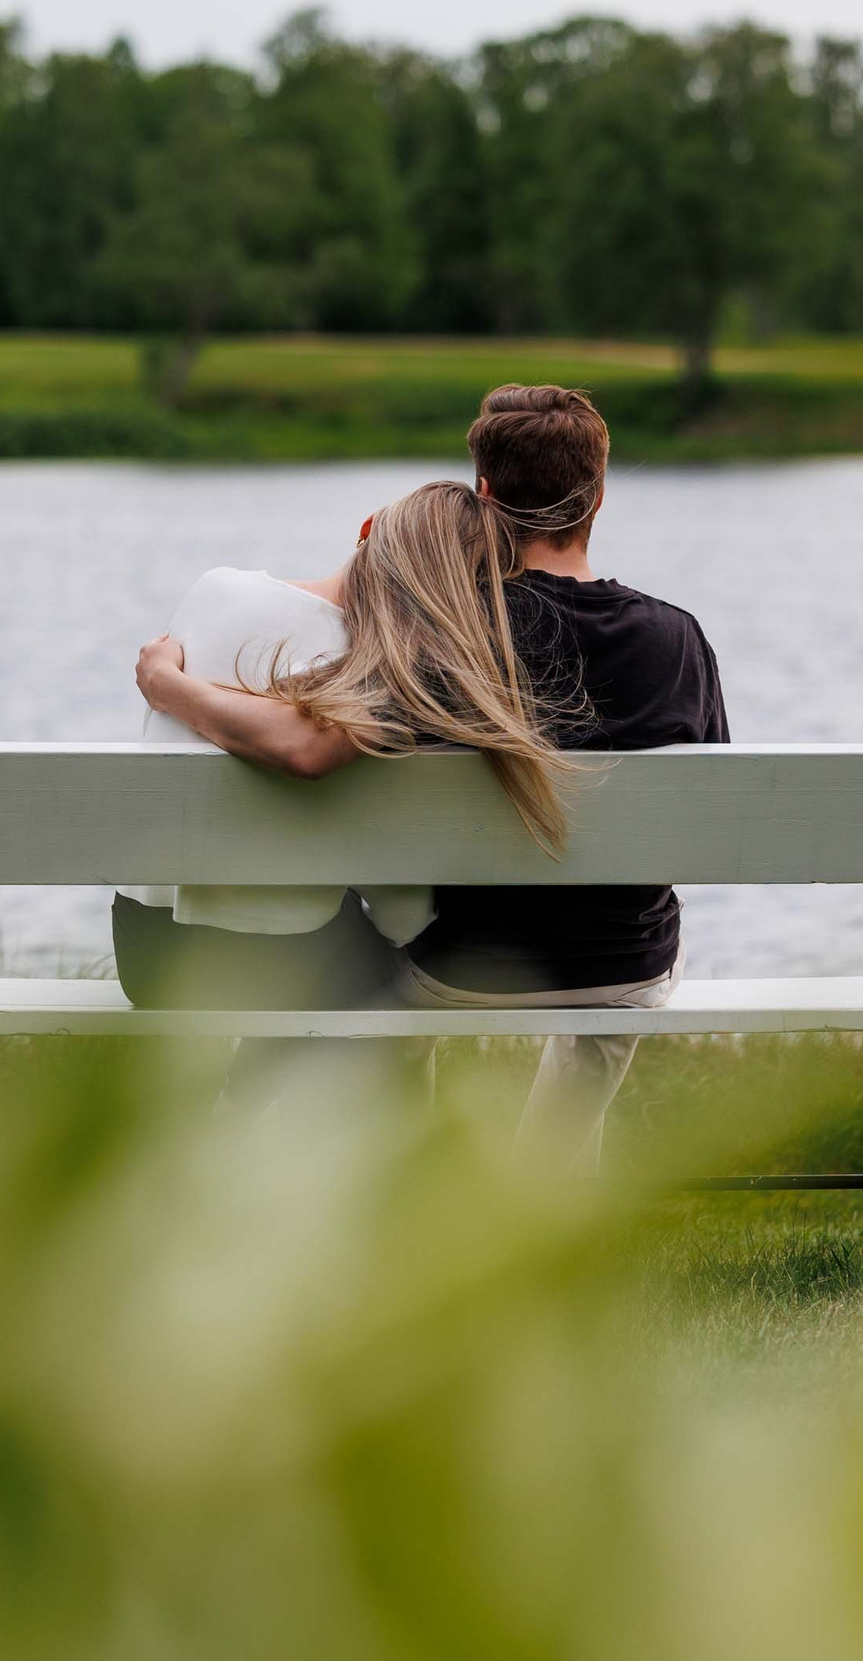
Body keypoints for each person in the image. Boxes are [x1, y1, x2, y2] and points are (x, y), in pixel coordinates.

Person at [134, 386, 730, 1171]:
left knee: (375, 955)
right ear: (600, 496)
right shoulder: (677, 638)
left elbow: (309, 745)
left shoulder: (450, 636)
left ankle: (411, 1188)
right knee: (628, 961)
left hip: (463, 969)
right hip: (629, 965)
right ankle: (550, 1188)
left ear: (485, 494)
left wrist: (170, 686)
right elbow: (709, 816)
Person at [119, 478, 578, 1117]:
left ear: (367, 529)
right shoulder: (392, 680)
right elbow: (397, 903)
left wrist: (164, 683)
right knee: (388, 970)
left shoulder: (216, 588)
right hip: (276, 964)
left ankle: (237, 1124)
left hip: (146, 954)